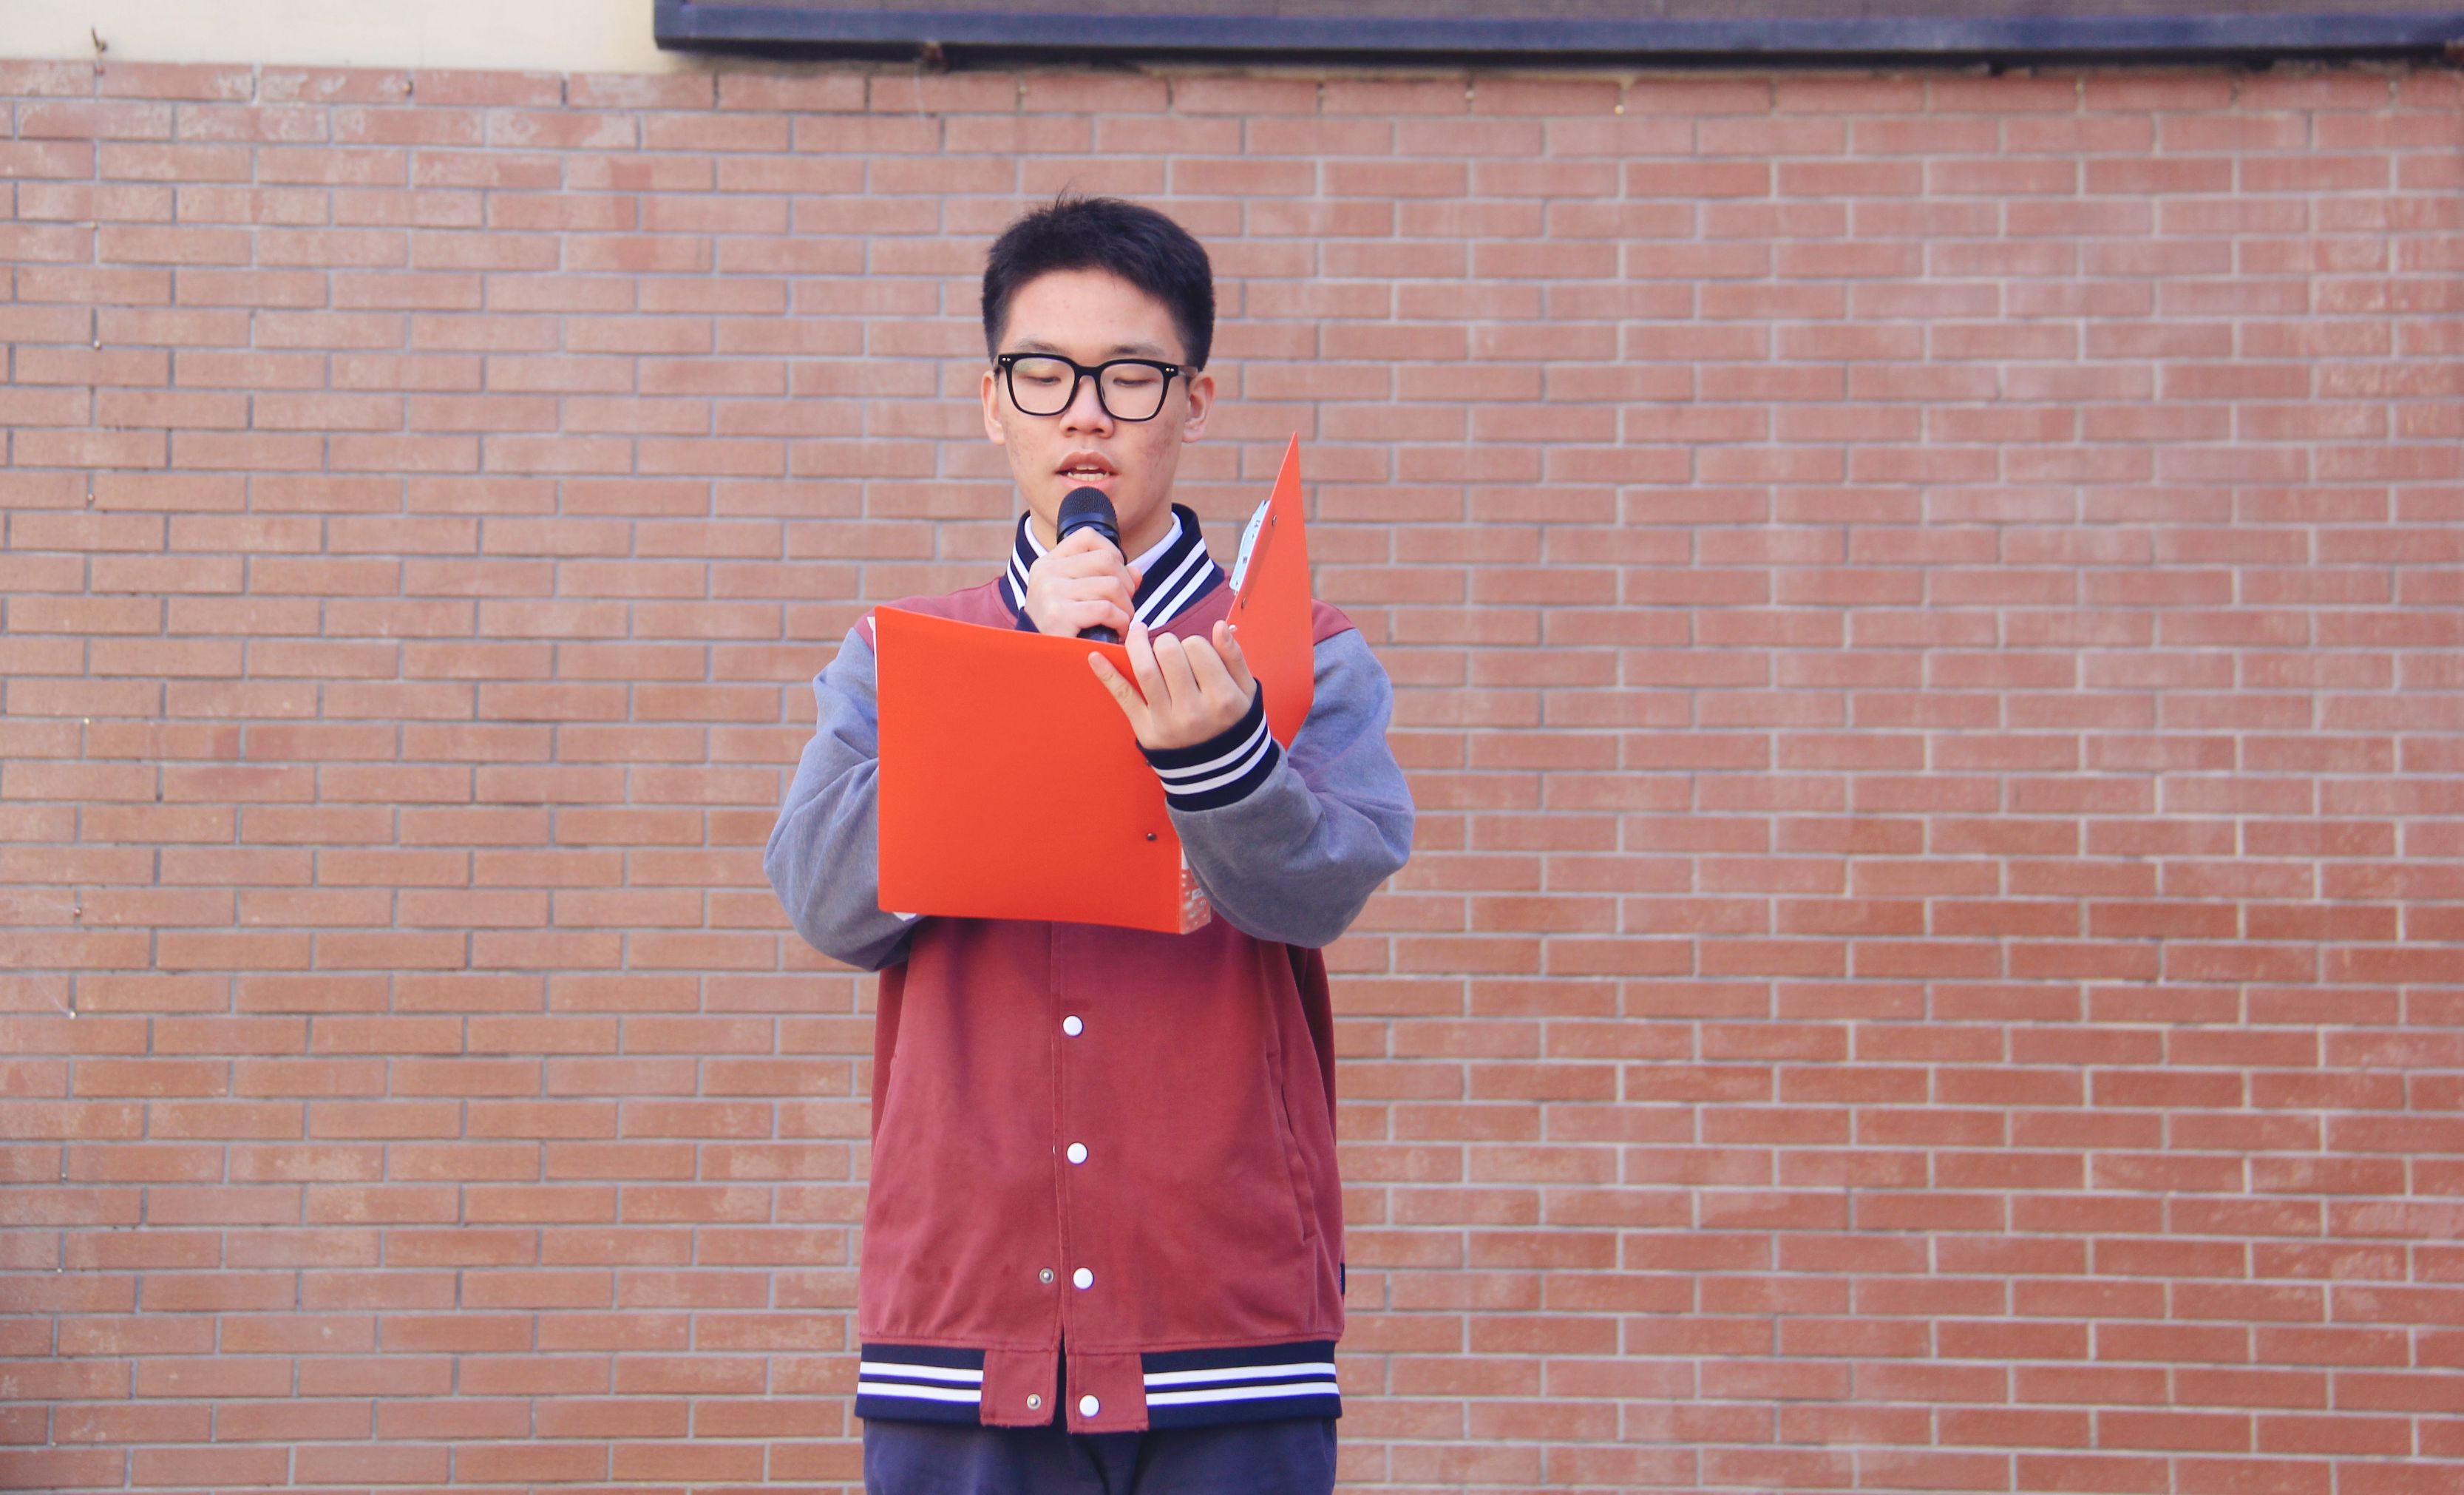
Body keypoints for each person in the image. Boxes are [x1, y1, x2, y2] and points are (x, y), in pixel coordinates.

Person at [765, 196, 1415, 1495]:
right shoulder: (899, 654)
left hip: (1225, 1311)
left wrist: (1219, 759)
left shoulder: (1294, 645)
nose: (1085, 415)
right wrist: (1020, 681)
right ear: (991, 402)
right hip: (966, 1315)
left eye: (1129, 376)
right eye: (1043, 375)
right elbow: (829, 903)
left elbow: (1323, 889)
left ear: (1194, 399)